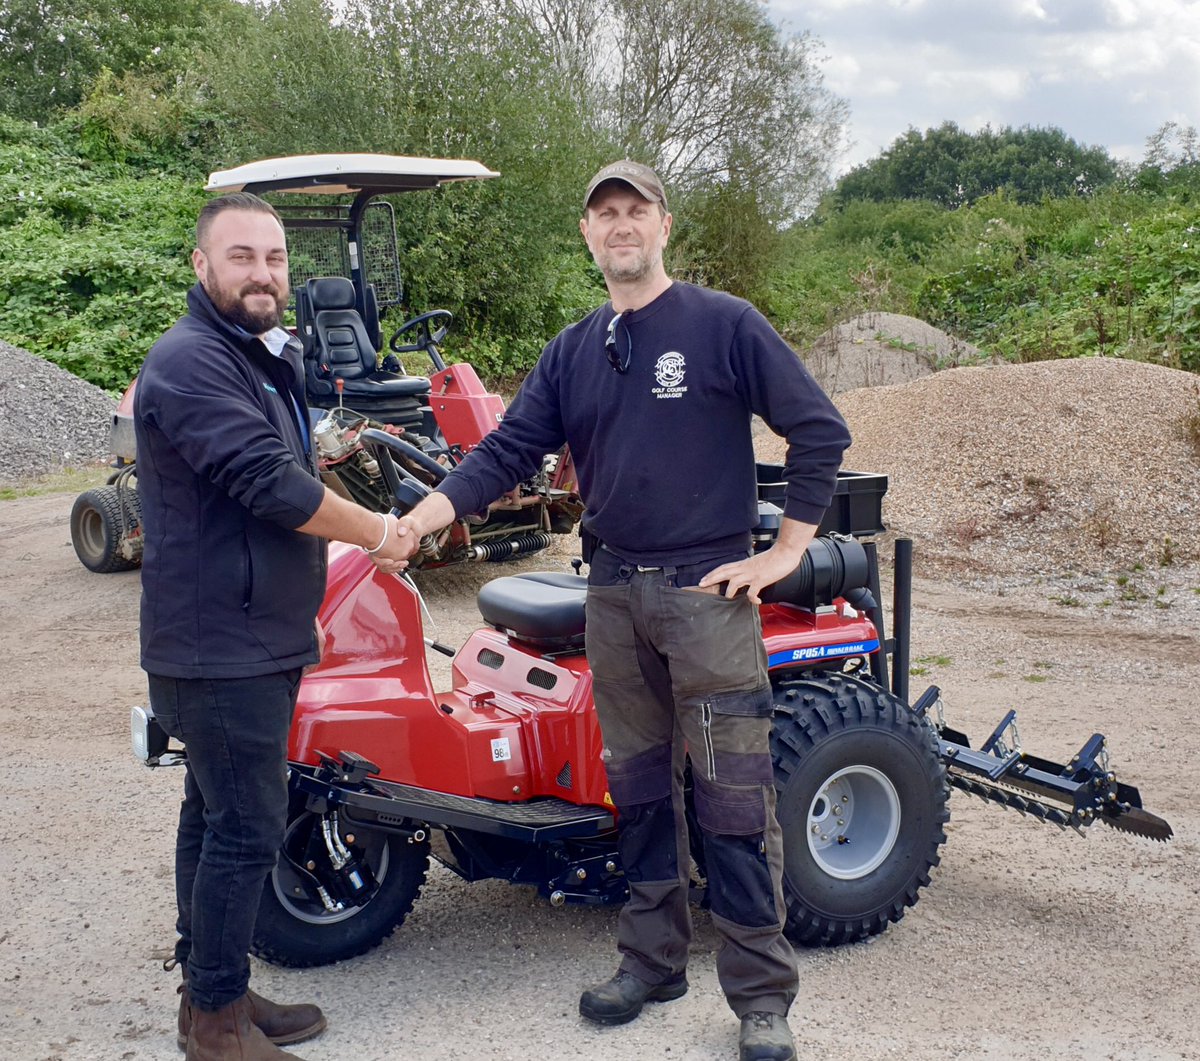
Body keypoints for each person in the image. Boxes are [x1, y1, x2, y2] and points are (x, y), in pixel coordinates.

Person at [384, 161, 851, 1061]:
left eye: (635, 210)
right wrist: (419, 520)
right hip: (610, 595)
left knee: (733, 798)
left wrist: (787, 549)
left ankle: (760, 995)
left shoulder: (723, 325)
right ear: (588, 235)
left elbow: (817, 428)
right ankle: (652, 960)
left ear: (664, 226)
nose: (620, 225)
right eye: (605, 213)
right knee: (636, 793)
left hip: (705, 599)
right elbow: (508, 451)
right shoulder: (573, 349)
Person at [134, 192, 414, 1060]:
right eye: (244, 256)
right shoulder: (190, 362)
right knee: (246, 826)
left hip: (249, 633)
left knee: (210, 817)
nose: (265, 273)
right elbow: (269, 483)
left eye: (277, 258)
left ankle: (213, 991)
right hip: (218, 646)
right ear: (201, 266)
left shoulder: (252, 355)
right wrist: (379, 532)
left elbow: (287, 471)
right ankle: (215, 1031)